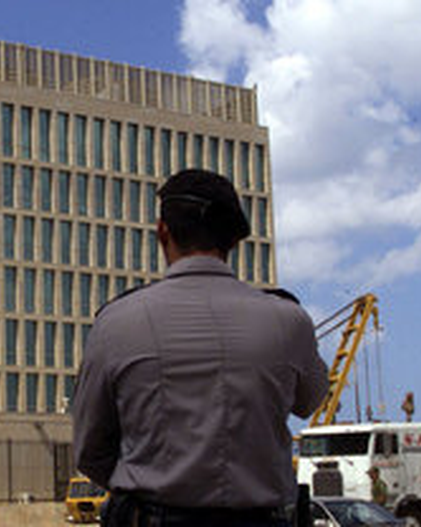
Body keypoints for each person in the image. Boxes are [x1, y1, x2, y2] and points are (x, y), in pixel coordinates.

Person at [72, 169, 329, 527]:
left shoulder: (117, 322)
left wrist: (147, 479)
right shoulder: (289, 319)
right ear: (233, 241)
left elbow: (90, 450)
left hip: (150, 516)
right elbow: (311, 400)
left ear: (163, 232)